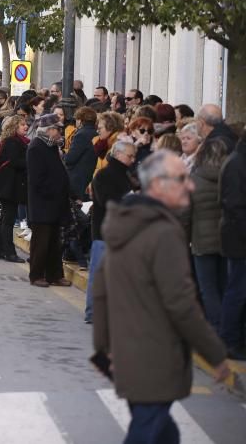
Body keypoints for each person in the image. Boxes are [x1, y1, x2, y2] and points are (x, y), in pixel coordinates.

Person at [93, 151, 230, 442]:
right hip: (156, 357)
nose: (190, 185)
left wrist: (104, 348)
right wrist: (216, 355)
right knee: (149, 429)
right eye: (182, 179)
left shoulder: (124, 223)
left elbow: (102, 291)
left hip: (129, 354)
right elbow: (181, 303)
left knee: (164, 432)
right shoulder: (163, 232)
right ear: (158, 184)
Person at [86, 139, 137, 324]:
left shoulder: (128, 175)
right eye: (129, 156)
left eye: (133, 156)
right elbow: (108, 202)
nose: (132, 160)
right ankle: (93, 312)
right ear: (117, 154)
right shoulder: (105, 175)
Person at [186, 139, 228, 332]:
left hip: (201, 240)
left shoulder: (194, 179)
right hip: (225, 239)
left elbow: (186, 213)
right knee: (223, 286)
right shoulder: (228, 175)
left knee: (207, 288)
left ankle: (215, 328)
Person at [26, 114, 72, 288]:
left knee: (55, 242)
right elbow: (37, 179)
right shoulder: (36, 147)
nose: (60, 132)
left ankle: (54, 274)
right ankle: (36, 274)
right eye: (57, 129)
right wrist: (54, 190)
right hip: (43, 204)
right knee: (41, 243)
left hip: (55, 202)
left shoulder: (51, 146)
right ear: (49, 130)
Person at [219, 134, 246, 360]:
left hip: (236, 235)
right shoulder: (237, 163)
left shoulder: (237, 160)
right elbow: (234, 204)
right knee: (237, 289)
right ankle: (229, 341)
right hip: (238, 238)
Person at [0, 115, 28, 263]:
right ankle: (9, 252)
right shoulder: (13, 142)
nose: (25, 127)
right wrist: (31, 160)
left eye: (26, 124)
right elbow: (15, 162)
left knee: (5, 218)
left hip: (8, 185)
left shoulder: (14, 141)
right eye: (22, 125)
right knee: (8, 220)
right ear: (14, 127)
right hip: (9, 186)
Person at [64, 106, 98, 200]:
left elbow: (70, 159)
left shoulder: (81, 134)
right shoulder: (96, 133)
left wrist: (63, 155)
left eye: (76, 119)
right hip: (89, 177)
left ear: (80, 120)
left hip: (78, 180)